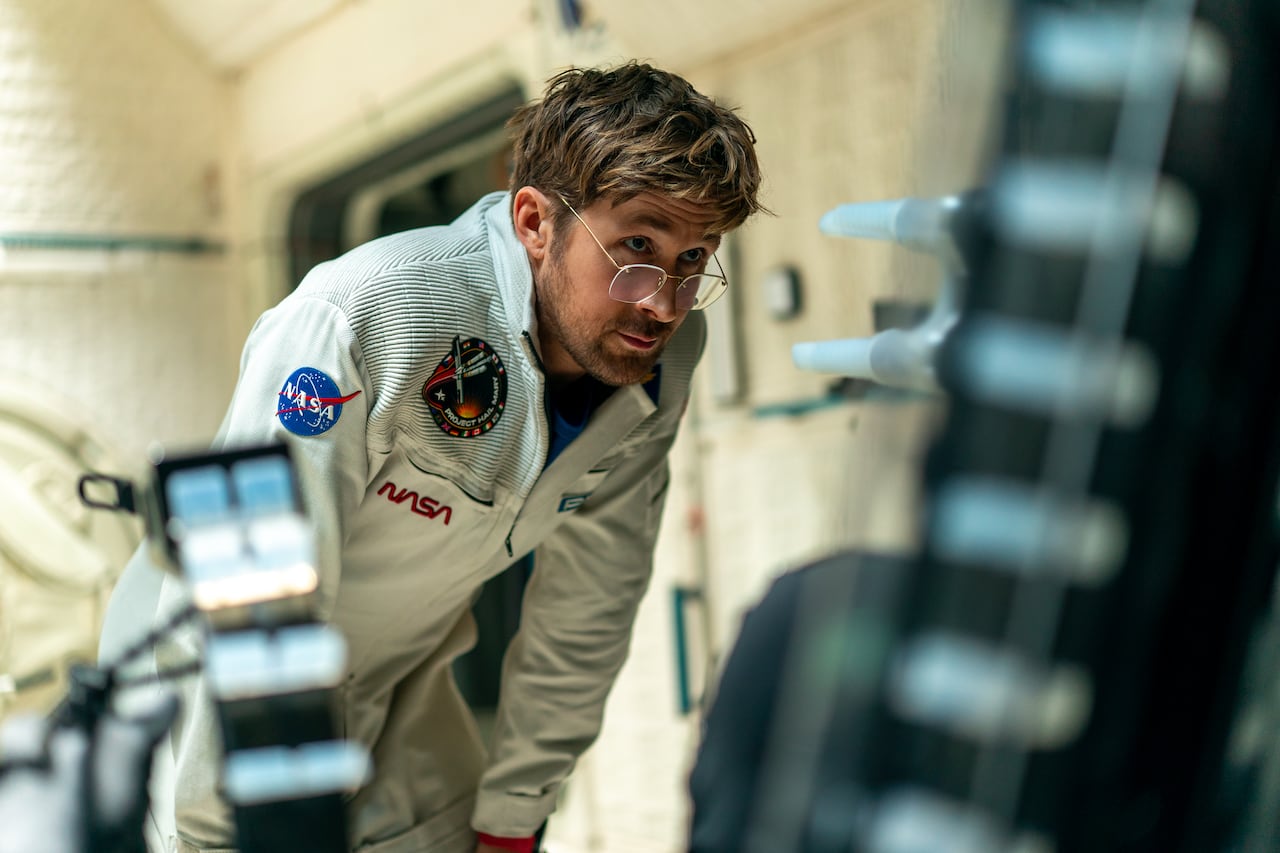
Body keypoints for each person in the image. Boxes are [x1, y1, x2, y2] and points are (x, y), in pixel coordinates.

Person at [100, 62, 764, 853]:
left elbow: (592, 599)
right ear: (534, 221)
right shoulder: (366, 315)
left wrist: (516, 816)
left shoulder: (660, 357)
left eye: (694, 260)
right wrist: (229, 835)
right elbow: (251, 600)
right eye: (637, 246)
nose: (662, 300)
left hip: (402, 694)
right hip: (204, 708)